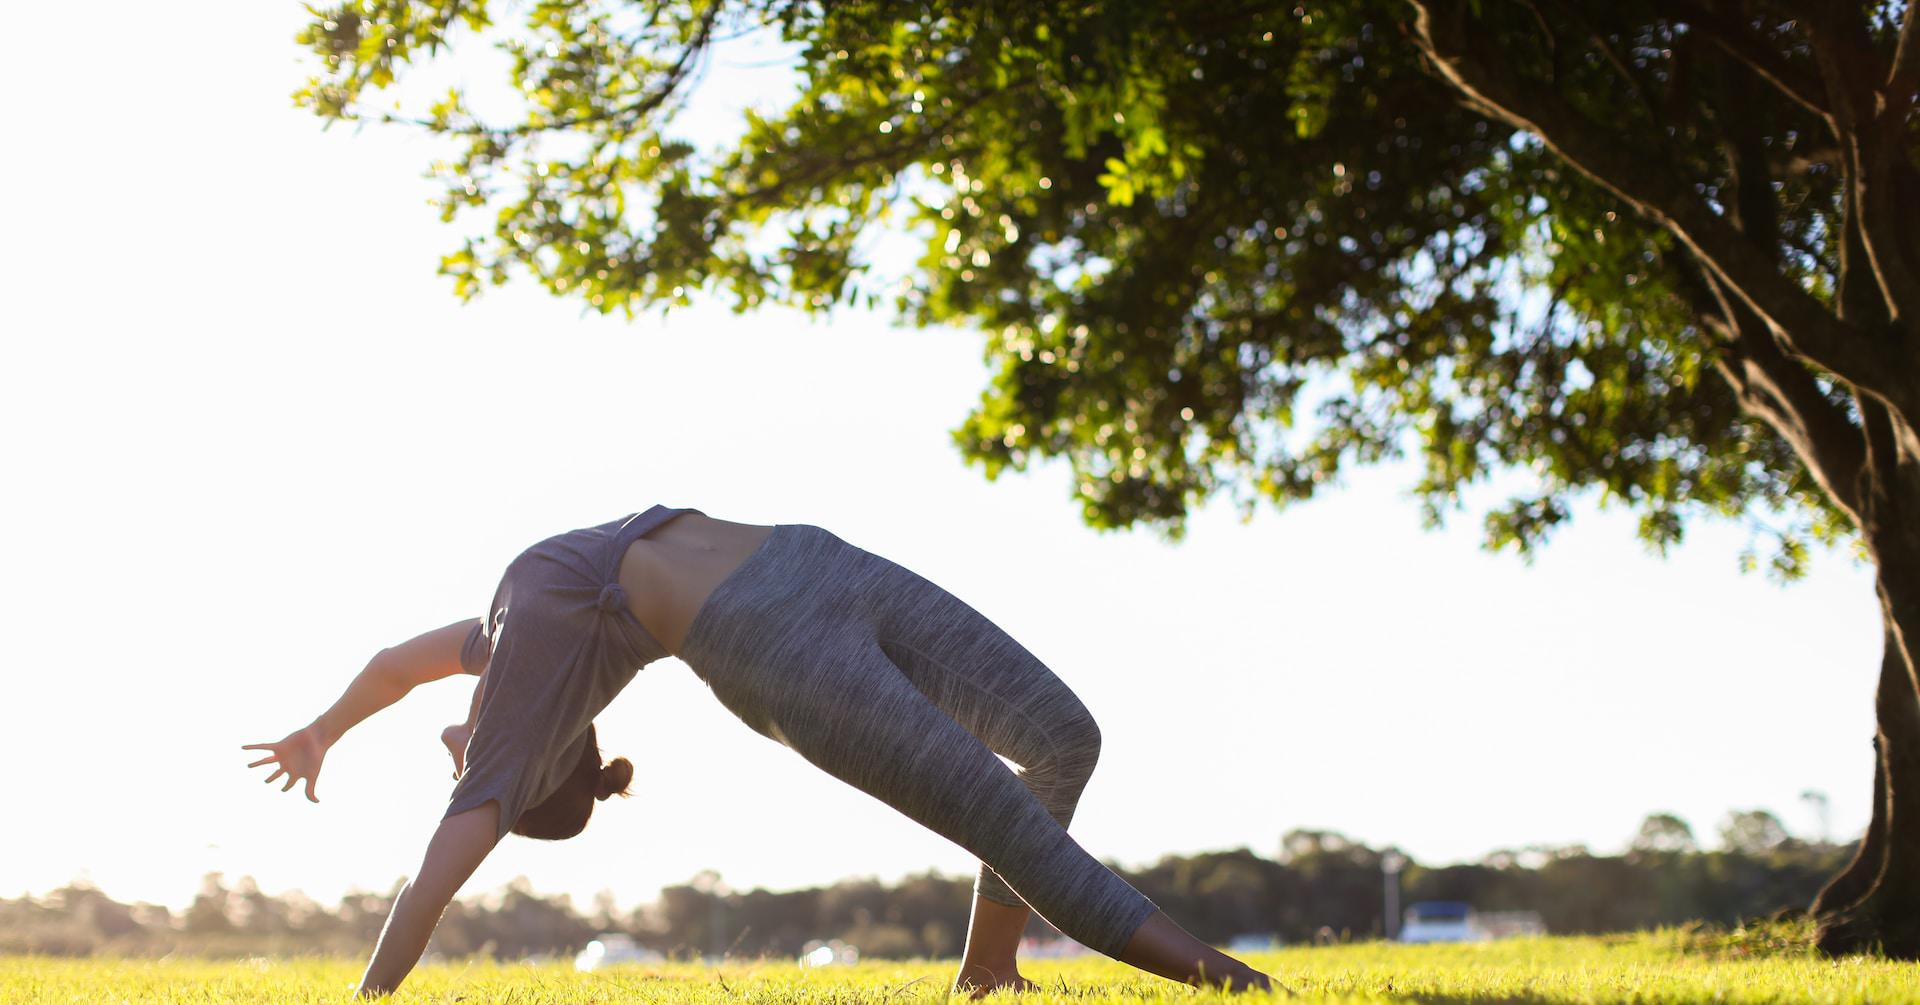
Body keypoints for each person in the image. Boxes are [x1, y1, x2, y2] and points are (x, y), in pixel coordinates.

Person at [243, 505, 1276, 998]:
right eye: (477, 771)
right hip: (782, 653)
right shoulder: (520, 728)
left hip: (813, 558)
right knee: (998, 814)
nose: (462, 756)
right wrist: (370, 997)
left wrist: (322, 730)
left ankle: (988, 970)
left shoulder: (510, 642)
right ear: (538, 771)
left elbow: (392, 664)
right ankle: (1226, 980)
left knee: (1062, 739)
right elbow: (428, 890)